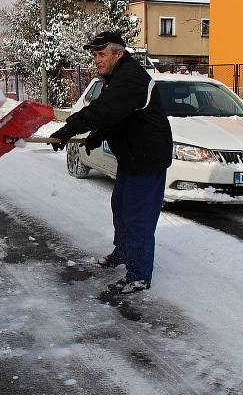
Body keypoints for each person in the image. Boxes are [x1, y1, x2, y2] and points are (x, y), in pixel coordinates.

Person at [50, 31, 172, 294]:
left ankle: (138, 274)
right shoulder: (116, 77)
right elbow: (116, 117)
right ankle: (124, 252)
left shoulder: (130, 79)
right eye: (94, 55)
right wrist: (96, 136)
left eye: (101, 54)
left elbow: (103, 110)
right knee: (121, 206)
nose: (96, 60)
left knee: (138, 216)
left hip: (147, 159)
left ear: (118, 54)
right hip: (132, 157)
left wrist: (67, 130)